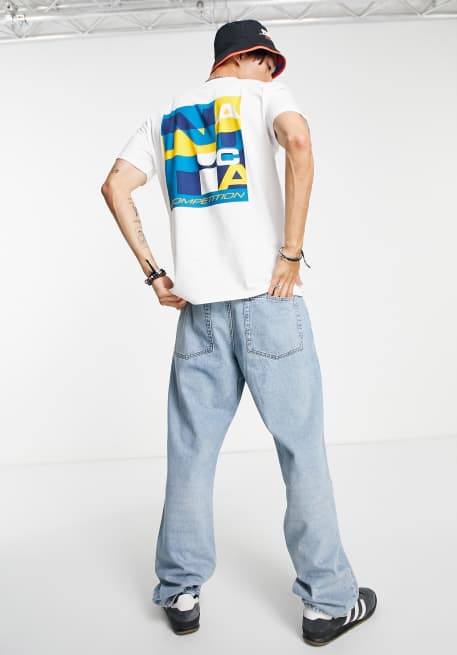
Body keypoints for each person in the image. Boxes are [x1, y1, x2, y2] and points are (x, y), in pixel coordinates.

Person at [100, 18, 377, 646]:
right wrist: (291, 251)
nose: (273, 73)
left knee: (190, 454)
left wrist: (154, 274)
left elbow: (115, 185)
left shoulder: (164, 114)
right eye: (268, 61)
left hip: (199, 311)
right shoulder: (265, 96)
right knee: (301, 451)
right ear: (247, 56)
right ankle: (328, 603)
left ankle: (180, 590)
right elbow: (298, 141)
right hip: (269, 301)